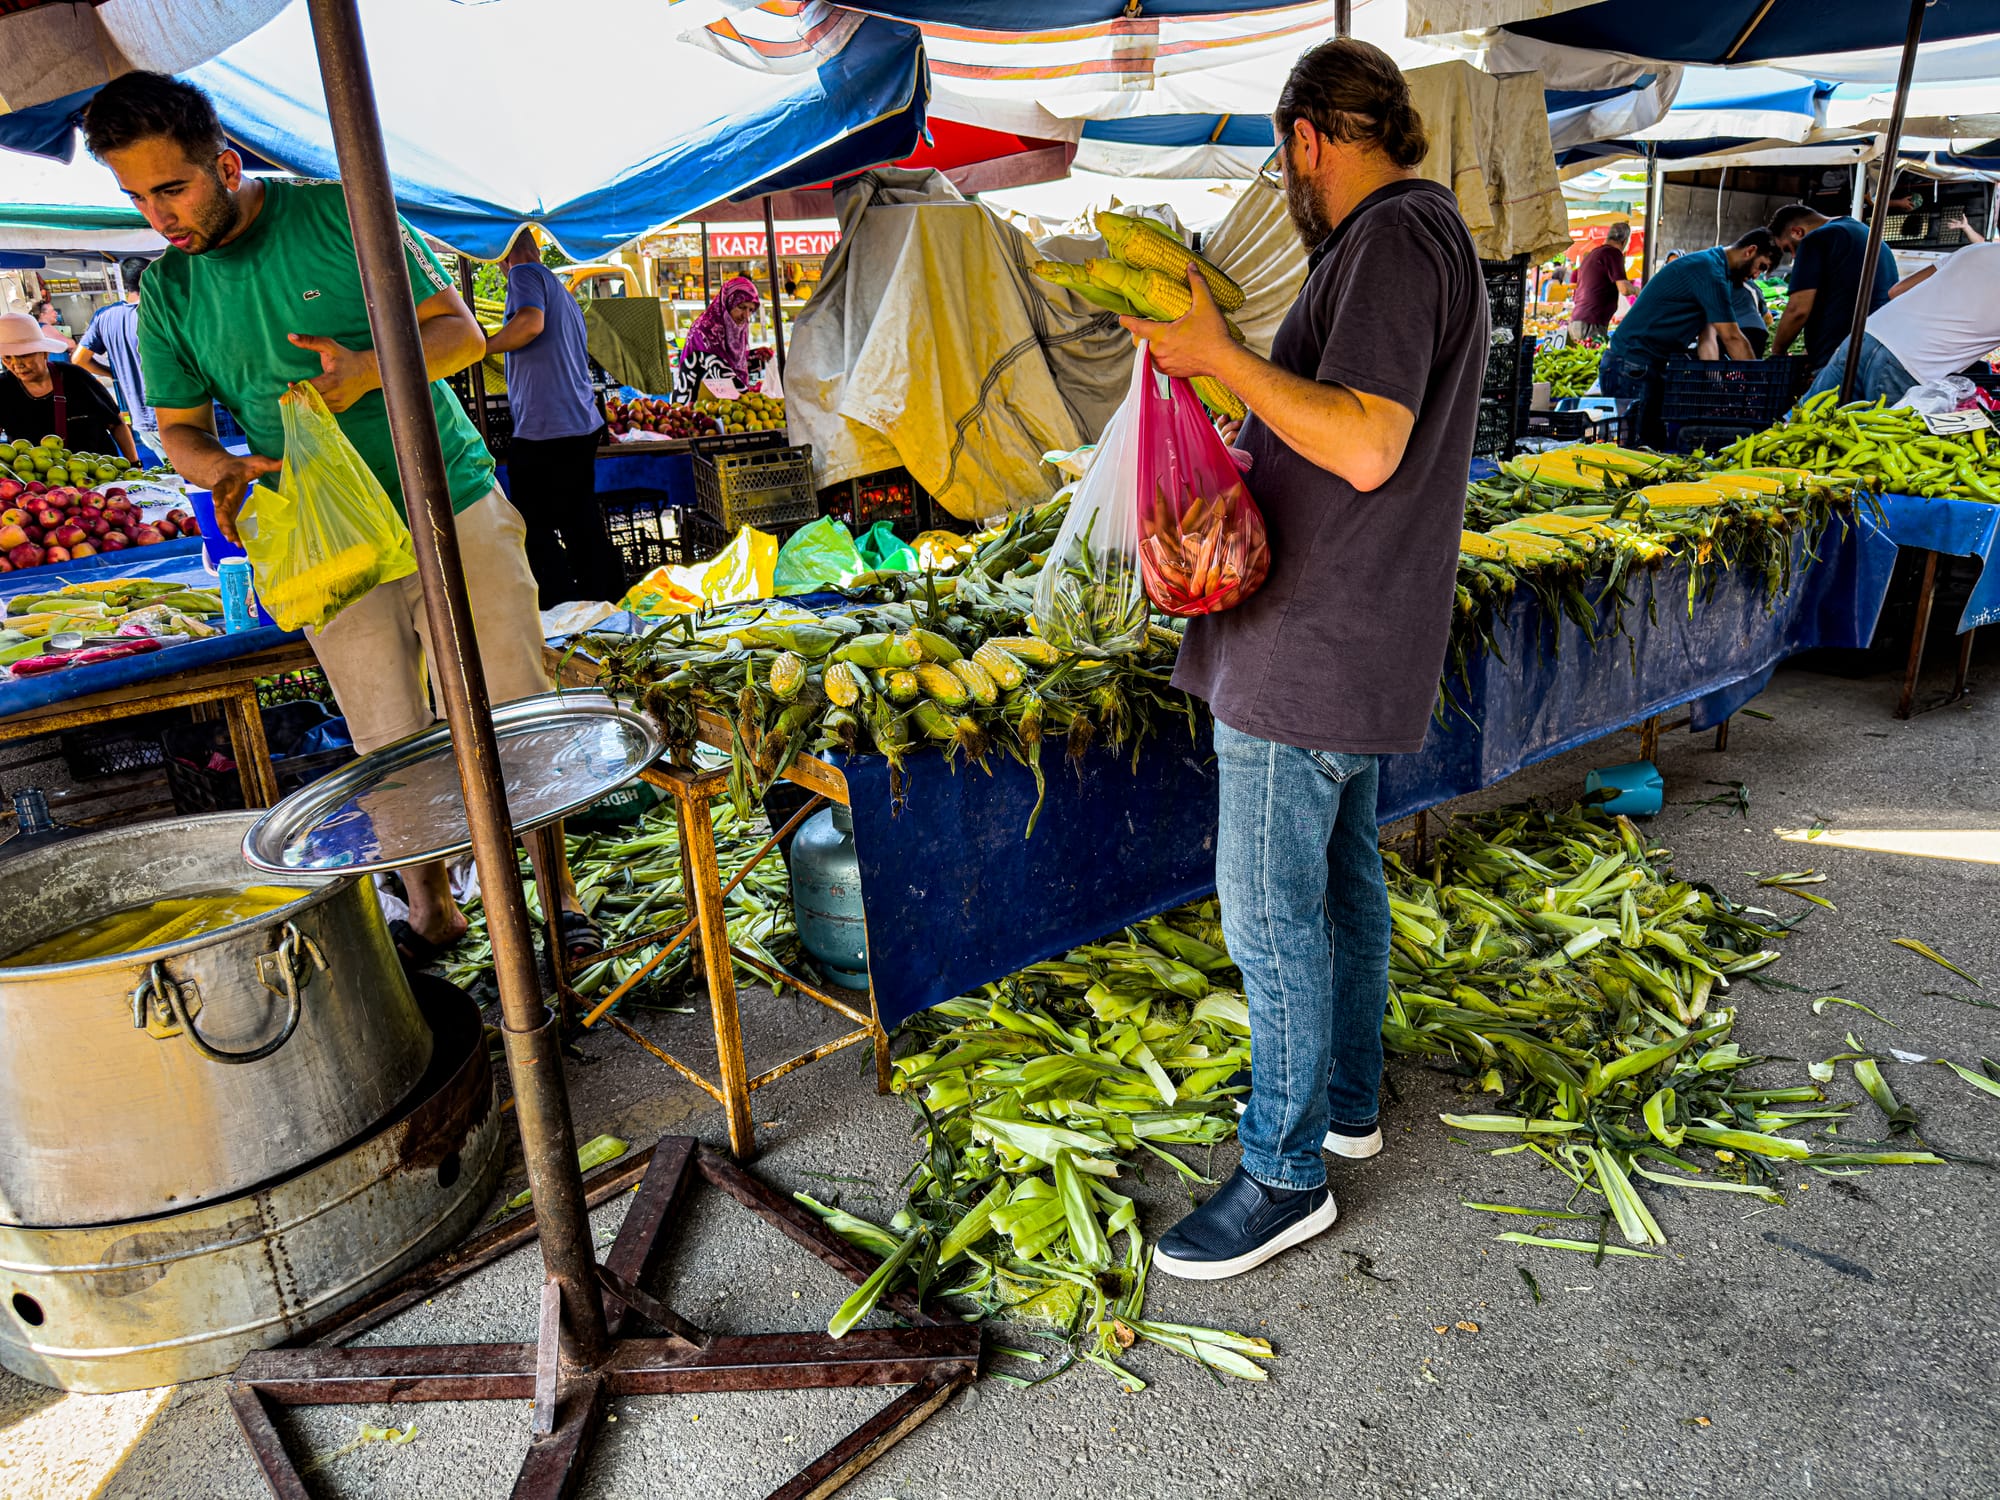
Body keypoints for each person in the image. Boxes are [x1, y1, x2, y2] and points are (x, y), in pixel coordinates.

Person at [84, 70, 596, 971]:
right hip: (323, 539)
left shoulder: (338, 214)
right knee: (384, 735)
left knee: (517, 705)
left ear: (226, 165)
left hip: (448, 498)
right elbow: (179, 429)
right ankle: (433, 911)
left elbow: (459, 334)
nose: (159, 215)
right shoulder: (166, 291)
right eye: (136, 196)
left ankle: (556, 902)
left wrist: (365, 371)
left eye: (172, 188)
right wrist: (222, 470)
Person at [1117, 38, 1487, 1281]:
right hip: (1355, 634)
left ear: (1304, 138)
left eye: (1284, 154)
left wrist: (1220, 355)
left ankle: (1283, 1175)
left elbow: (1370, 445)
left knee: (1269, 914)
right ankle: (1345, 1100)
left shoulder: (1387, 241)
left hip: (1310, 647)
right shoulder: (1423, 238)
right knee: (1338, 886)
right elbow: (1336, 428)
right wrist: (1240, 405)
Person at [483, 228, 618, 607]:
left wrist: (483, 346)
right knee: (579, 521)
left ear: (505, 255)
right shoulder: (561, 290)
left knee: (532, 526)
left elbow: (529, 324)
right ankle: (597, 604)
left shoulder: (524, 274)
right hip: (577, 423)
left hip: (549, 428)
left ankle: (560, 606)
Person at [1598, 229, 1778, 448]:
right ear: (1750, 251)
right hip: (1630, 366)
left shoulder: (1717, 272)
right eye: (1761, 267)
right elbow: (1732, 338)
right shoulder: (1710, 270)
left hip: (1646, 366)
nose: (1756, 276)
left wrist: (1717, 384)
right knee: (1634, 451)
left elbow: (1708, 338)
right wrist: (1759, 386)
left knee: (1651, 447)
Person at [1806, 240, 2000, 404]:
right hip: (1914, 363)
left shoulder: (1978, 249)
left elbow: (1896, 291)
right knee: (1880, 442)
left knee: (1804, 423)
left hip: (1868, 334)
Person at [1764, 204, 1898, 370]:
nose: (1794, 256)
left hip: (1841, 355)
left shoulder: (1816, 239)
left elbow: (1798, 309)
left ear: (1797, 232)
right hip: (1876, 349)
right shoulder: (1863, 232)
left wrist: (1778, 353)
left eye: (1788, 248)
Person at [0, 310, 137, 460]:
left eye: (24, 355)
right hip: (37, 481)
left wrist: (134, 464)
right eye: (7, 358)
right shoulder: (3, 388)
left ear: (44, 352)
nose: (17, 364)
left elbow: (115, 423)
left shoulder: (75, 377)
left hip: (100, 476)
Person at [73, 258, 162, 466]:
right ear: (153, 278)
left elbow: (78, 359)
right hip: (175, 411)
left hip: (139, 414)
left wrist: (114, 373)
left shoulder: (105, 316)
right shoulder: (160, 312)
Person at [672, 276, 759, 404]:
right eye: (741, 307)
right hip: (698, 404)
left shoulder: (737, 327)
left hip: (728, 403)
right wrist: (747, 397)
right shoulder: (705, 329)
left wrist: (756, 356)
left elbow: (736, 360)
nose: (746, 316)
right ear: (728, 302)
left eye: (751, 310)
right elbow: (718, 367)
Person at [1569, 221, 1635, 342]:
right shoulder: (1613, 253)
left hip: (1577, 319)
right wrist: (1638, 290)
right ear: (1624, 241)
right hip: (1592, 322)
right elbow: (1624, 289)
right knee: (1593, 358)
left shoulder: (1593, 254)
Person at [1733, 276, 1771, 358]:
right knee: (1750, 366)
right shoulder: (1750, 285)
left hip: (1732, 330)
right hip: (1756, 331)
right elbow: (1768, 318)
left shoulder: (1717, 283)